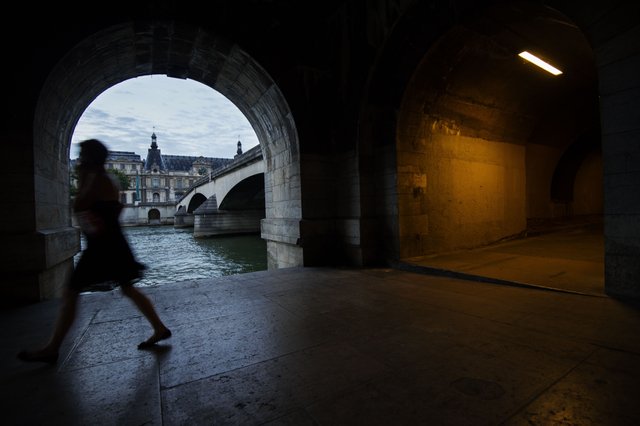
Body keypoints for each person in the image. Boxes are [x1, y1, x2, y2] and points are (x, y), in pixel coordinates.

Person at [18, 139, 171, 363]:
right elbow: (114, 209)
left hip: (101, 246)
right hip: (113, 243)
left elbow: (79, 205)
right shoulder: (108, 179)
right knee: (128, 289)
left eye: (82, 155)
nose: (79, 159)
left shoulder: (95, 179)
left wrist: (82, 181)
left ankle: (53, 347)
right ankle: (159, 327)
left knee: (72, 292)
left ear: (89, 158)